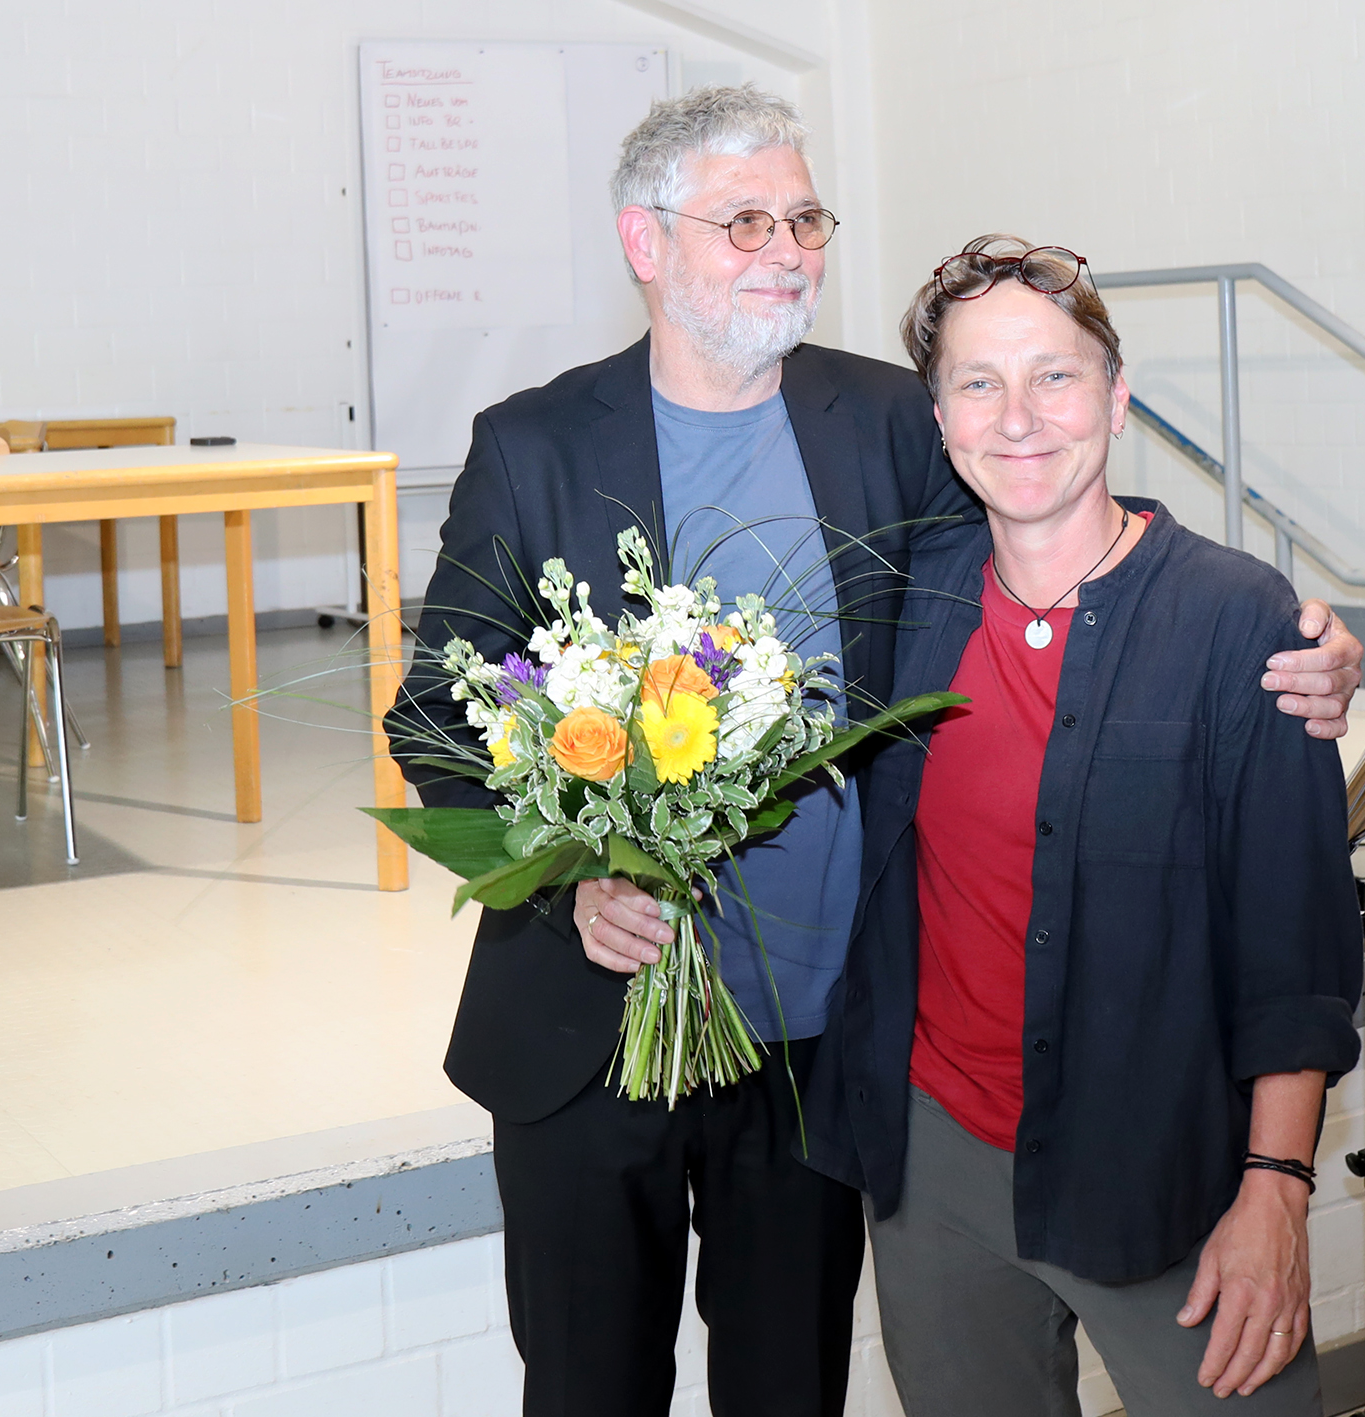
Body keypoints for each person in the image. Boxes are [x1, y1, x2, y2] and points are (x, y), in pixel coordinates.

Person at [392, 87, 1362, 1417]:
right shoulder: (534, 445)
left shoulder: (887, 420)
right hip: (588, 1031)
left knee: (787, 1388)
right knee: (583, 1387)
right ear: (644, 241)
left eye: (802, 216)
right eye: (743, 221)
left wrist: (1280, 635)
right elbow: (433, 721)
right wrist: (572, 879)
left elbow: (1042, 505)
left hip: (816, 1046)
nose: (786, 248)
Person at [797, 237, 1362, 1417]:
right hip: (935, 1165)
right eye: (978, 383)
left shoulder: (1237, 620)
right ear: (941, 421)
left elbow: (1296, 948)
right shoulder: (910, 601)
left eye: (1054, 375)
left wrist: (1275, 1187)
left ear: (1115, 393)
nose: (1019, 417)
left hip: (1165, 1158)